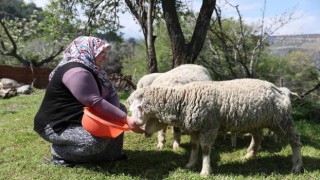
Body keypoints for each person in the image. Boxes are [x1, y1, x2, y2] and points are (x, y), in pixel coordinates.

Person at [34, 36, 144, 166]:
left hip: (78, 118)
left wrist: (115, 120)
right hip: (57, 125)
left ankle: (111, 155)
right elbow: (94, 101)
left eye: (105, 53)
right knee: (93, 143)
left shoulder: (93, 70)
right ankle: (59, 152)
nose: (105, 57)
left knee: (118, 109)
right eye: (101, 53)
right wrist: (126, 120)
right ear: (86, 51)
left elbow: (110, 93)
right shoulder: (77, 71)